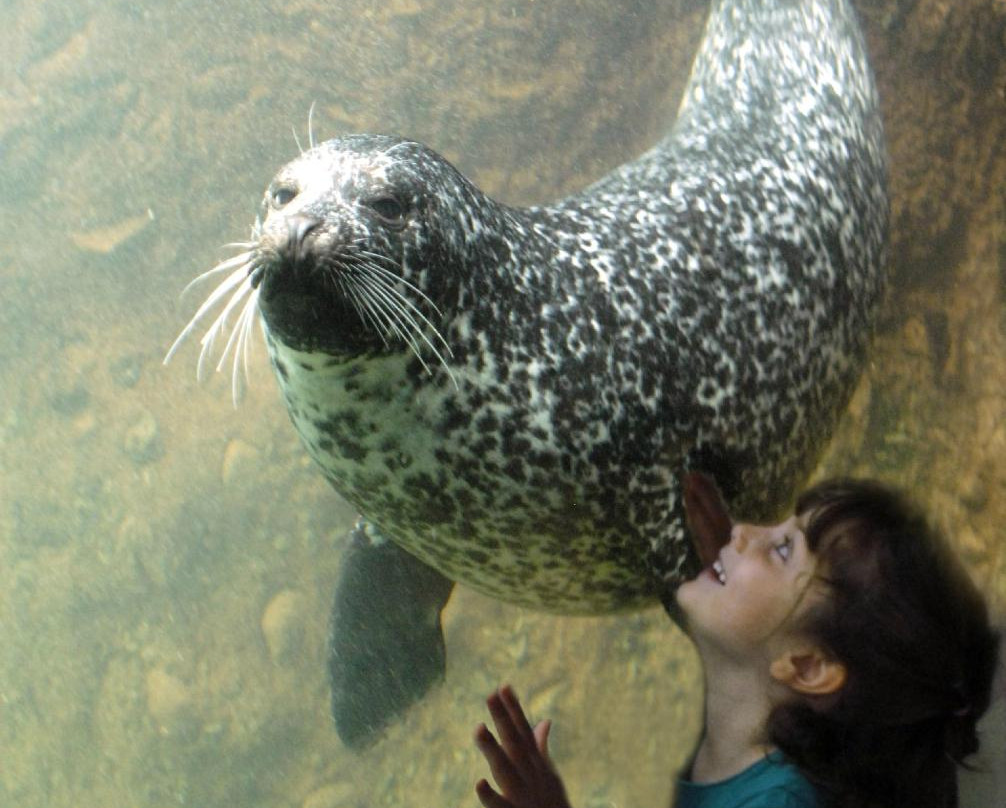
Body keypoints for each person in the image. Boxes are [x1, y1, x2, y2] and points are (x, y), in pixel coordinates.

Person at [473, 473, 1001, 808]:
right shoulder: (769, 721)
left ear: (807, 666)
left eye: (780, 550)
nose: (744, 531)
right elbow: (758, 655)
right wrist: (740, 600)